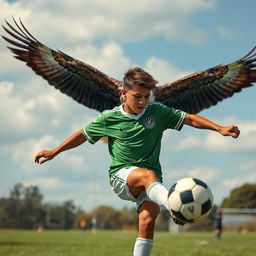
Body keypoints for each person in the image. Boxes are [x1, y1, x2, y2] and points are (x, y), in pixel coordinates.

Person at [35, 67, 240, 255]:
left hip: (151, 183)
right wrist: (54, 151)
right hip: (122, 177)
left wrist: (219, 128)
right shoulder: (109, 118)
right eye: (137, 97)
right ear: (124, 94)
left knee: (148, 219)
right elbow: (82, 134)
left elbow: (190, 118)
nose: (142, 102)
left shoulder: (157, 111)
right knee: (147, 175)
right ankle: (173, 206)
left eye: (146, 97)